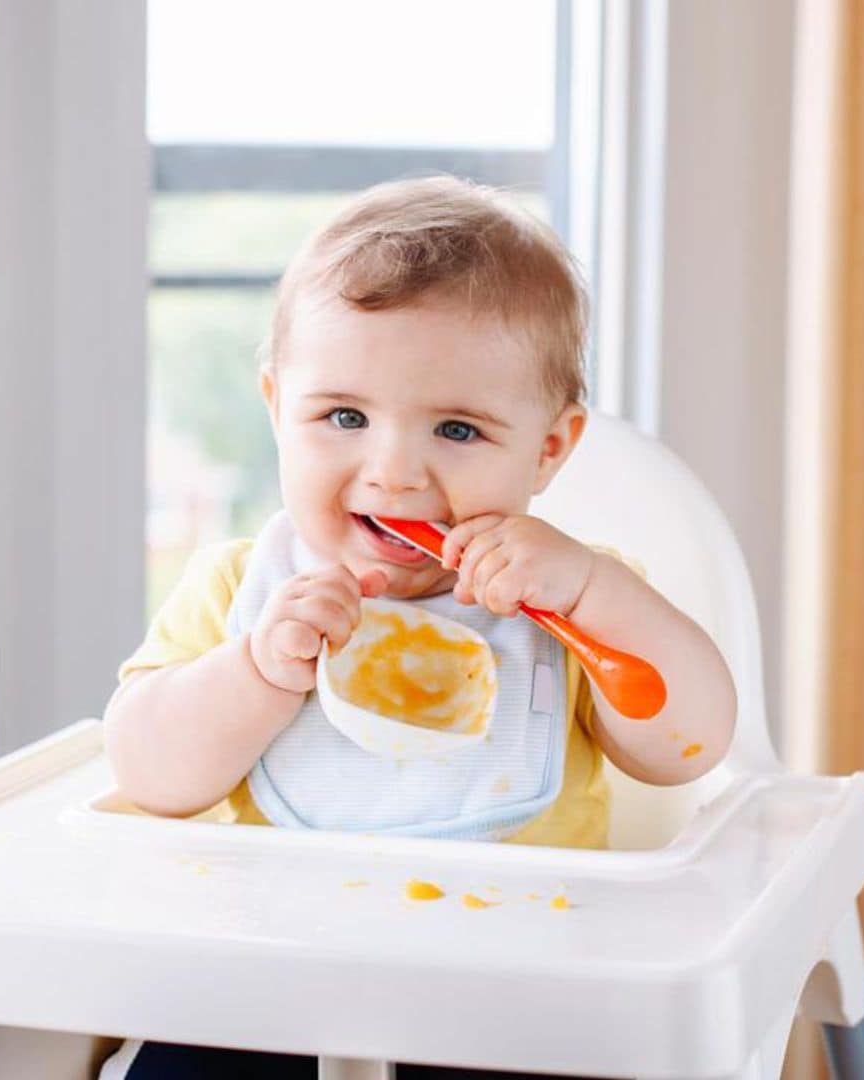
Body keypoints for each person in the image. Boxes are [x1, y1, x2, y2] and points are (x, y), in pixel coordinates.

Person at [99, 175, 737, 1079]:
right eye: (345, 417)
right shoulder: (245, 587)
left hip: (516, 1001)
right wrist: (257, 670)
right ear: (279, 405)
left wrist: (592, 590)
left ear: (547, 449)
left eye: (458, 430)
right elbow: (144, 776)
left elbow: (690, 743)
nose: (394, 473)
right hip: (263, 992)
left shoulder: (571, 604)